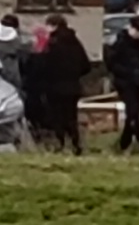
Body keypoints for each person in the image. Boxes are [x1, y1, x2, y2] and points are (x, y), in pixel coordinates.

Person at [29, 17, 92, 151]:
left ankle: (60, 143)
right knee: (71, 116)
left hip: (54, 87)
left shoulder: (52, 44)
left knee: (57, 116)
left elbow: (43, 66)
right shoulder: (75, 43)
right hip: (73, 87)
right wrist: (74, 75)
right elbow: (86, 66)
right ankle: (75, 143)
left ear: (54, 26)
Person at [103, 12, 139, 153]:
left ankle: (126, 142)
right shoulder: (120, 43)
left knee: (134, 113)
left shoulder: (138, 44)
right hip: (124, 82)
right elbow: (111, 63)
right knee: (132, 112)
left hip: (136, 82)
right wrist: (126, 73)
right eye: (136, 30)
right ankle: (138, 139)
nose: (137, 34)